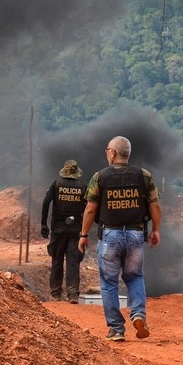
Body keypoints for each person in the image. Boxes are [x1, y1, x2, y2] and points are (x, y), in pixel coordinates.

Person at [78, 136, 161, 342]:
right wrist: (156, 230)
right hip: (136, 235)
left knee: (109, 282)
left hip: (110, 236)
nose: (107, 153)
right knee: (135, 277)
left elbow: (90, 209)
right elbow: (155, 205)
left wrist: (84, 234)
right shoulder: (143, 175)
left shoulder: (100, 177)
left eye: (108, 150)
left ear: (113, 153)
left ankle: (116, 329)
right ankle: (138, 314)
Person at [40, 159, 88, 303]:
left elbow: (46, 202)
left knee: (57, 259)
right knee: (73, 261)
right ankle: (73, 294)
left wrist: (44, 224)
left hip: (58, 229)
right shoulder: (82, 187)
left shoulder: (56, 184)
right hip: (75, 230)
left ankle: (56, 292)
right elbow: (90, 208)